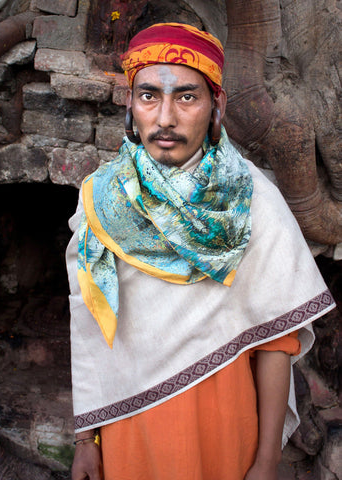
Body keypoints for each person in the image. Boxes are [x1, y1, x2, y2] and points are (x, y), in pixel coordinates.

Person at [66, 23, 335, 480]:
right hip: (130, 435)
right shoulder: (103, 200)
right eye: (149, 96)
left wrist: (266, 461)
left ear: (217, 105)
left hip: (222, 437)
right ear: (130, 105)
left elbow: (277, 343)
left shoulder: (252, 202)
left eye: (187, 97)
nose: (165, 117)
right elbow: (90, 326)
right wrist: (84, 441)